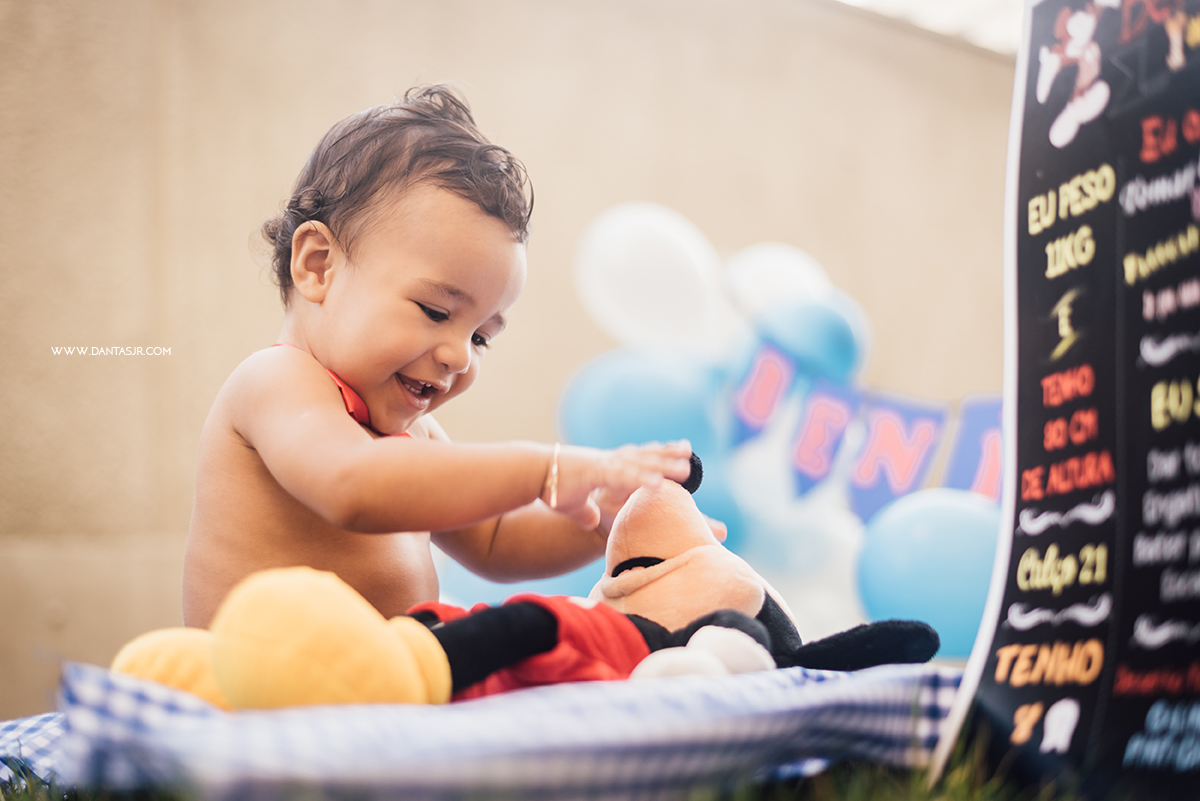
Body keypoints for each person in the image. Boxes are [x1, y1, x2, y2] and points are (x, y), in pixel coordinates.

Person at [182, 86, 692, 628]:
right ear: (318, 265)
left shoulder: (415, 441)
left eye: (481, 337)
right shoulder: (274, 382)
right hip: (263, 696)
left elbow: (497, 542)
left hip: (382, 689)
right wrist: (544, 468)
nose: (459, 357)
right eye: (434, 310)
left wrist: (600, 524)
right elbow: (353, 486)